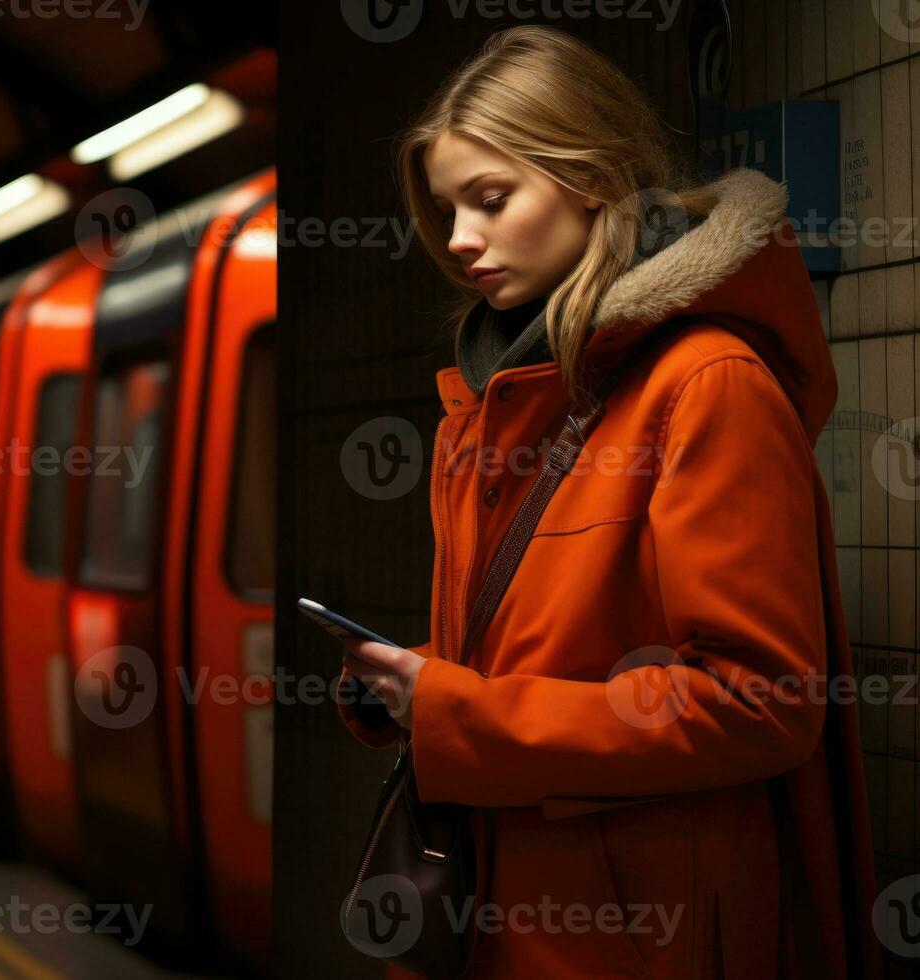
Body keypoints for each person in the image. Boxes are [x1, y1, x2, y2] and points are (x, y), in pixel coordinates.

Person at [335, 26, 881, 980]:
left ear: (588, 174)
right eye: (447, 209)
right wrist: (414, 683)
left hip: (640, 931)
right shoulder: (498, 395)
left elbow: (758, 704)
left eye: (492, 200)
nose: (460, 241)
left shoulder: (708, 384)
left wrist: (460, 714)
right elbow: (548, 651)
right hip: (511, 907)